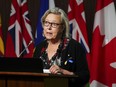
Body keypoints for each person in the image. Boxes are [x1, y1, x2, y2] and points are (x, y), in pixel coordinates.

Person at [33, 7, 90, 87]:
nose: (49, 27)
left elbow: (85, 76)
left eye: (54, 24)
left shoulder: (74, 47)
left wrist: (65, 72)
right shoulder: (39, 48)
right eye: (46, 23)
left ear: (62, 28)